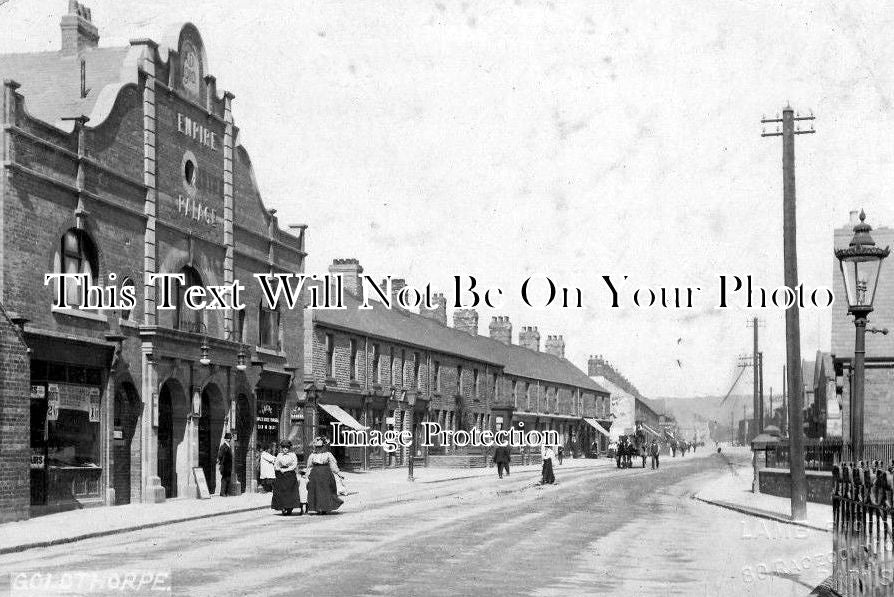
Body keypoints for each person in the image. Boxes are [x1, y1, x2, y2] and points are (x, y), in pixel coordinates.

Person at [305, 438, 344, 514]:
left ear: (323, 446)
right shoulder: (312, 455)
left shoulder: (328, 454)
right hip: (315, 475)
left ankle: (324, 508)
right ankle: (318, 508)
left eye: (320, 447)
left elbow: (333, 465)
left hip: (326, 474)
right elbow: (309, 467)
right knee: (317, 491)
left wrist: (338, 473)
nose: (318, 448)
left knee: (325, 491)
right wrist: (307, 476)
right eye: (317, 447)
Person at [271, 440, 300, 515]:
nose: (285, 449)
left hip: (290, 474)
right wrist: (279, 469)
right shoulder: (279, 455)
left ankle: (289, 507)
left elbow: (294, 464)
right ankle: (283, 507)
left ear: (289, 448)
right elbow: (276, 464)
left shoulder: (292, 455)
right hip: (281, 475)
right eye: (283, 447)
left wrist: (287, 469)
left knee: (290, 492)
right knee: (281, 492)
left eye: (287, 447)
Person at [217, 432, 233, 497]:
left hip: (228, 466)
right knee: (224, 479)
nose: (229, 439)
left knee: (228, 479)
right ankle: (222, 492)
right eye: (228, 438)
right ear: (225, 439)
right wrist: (221, 463)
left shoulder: (229, 446)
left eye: (229, 438)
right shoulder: (223, 446)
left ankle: (226, 492)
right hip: (224, 465)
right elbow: (220, 455)